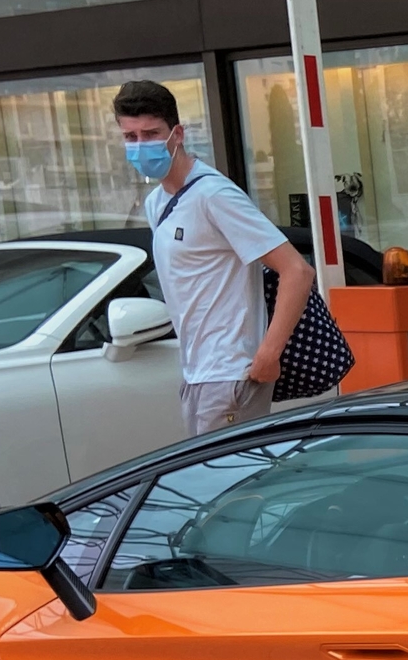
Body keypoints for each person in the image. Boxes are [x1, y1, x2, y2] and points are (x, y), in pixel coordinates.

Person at [111, 79, 315, 437]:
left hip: (230, 372)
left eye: (151, 134)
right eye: (131, 137)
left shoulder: (213, 194)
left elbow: (296, 271)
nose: (141, 146)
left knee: (234, 487)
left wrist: (268, 354)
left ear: (177, 134)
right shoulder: (157, 203)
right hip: (197, 372)